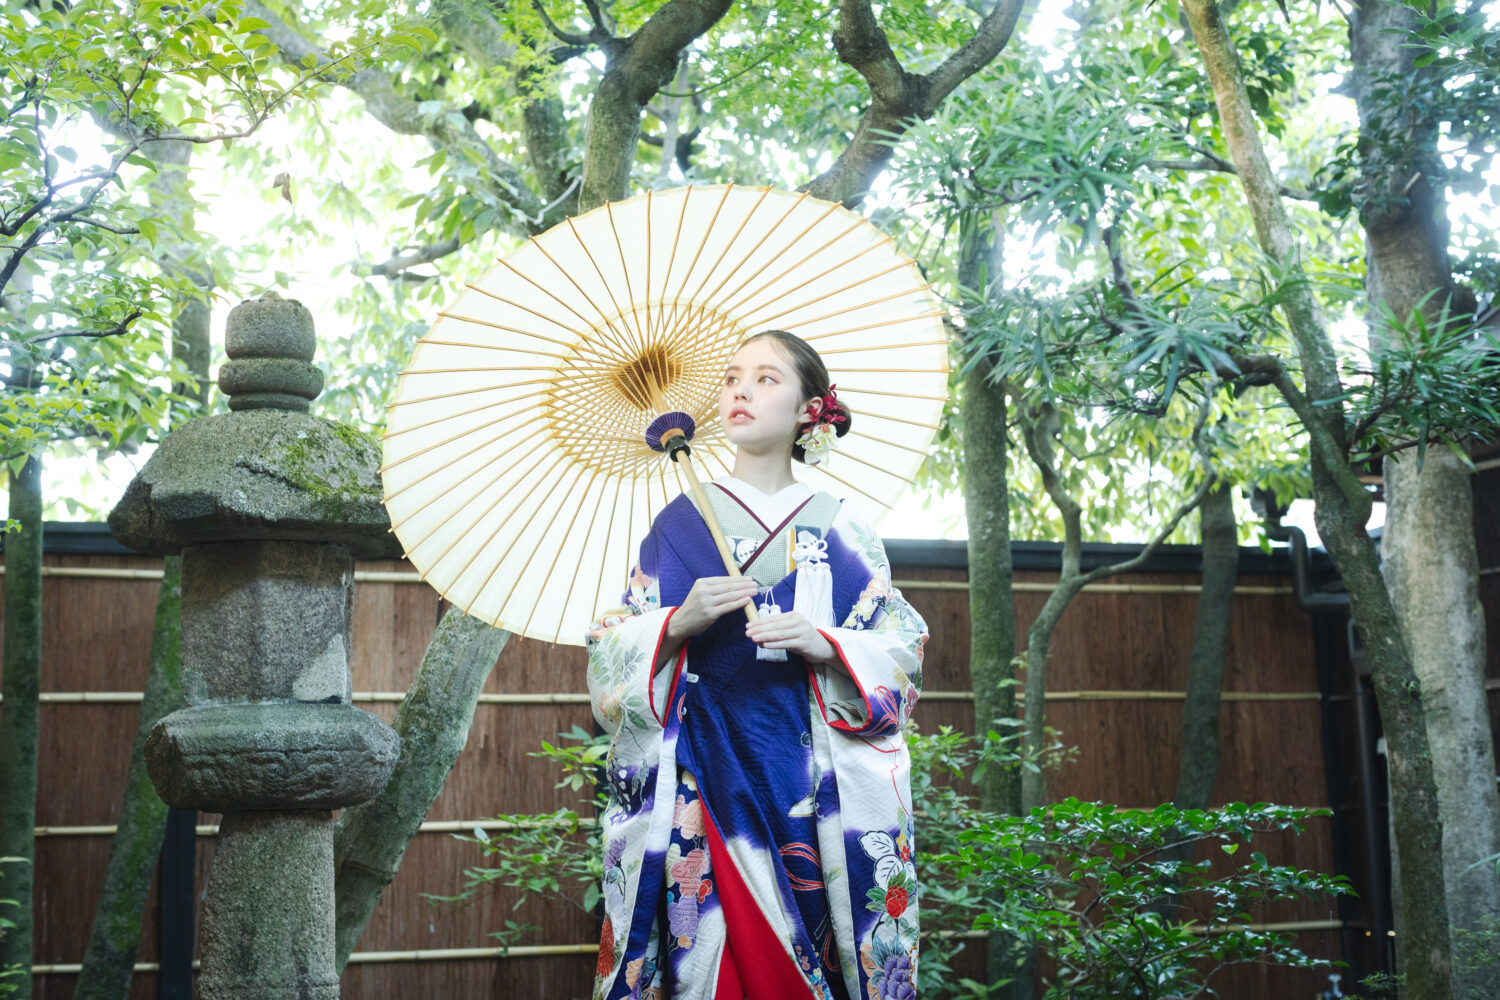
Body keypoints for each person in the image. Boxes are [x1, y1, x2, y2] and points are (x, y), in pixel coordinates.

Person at [587, 330, 928, 1000]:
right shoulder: (680, 522)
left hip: (810, 777)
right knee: (711, 964)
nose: (741, 390)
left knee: (815, 957)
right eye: (732, 378)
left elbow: (902, 648)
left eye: (767, 379)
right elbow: (610, 650)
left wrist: (825, 643)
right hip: (704, 769)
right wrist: (676, 622)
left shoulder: (843, 528)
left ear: (810, 409)